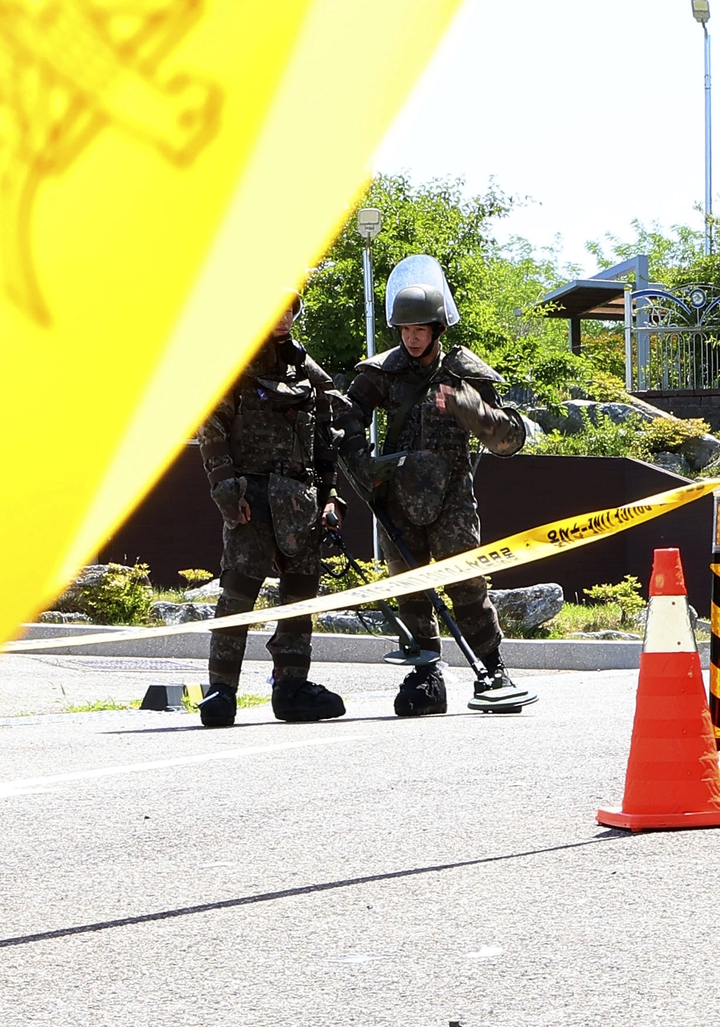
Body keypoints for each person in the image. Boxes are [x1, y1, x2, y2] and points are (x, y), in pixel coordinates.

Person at [341, 255, 534, 716]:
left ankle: (493, 669)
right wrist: (361, 465)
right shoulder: (382, 372)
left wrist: (468, 407)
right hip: (396, 498)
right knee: (410, 588)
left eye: (420, 329)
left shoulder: (464, 373)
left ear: (437, 328)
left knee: (466, 587)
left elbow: (510, 438)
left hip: (452, 500)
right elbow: (344, 417)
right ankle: (426, 675)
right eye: (405, 330)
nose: (411, 337)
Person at [194, 296, 350, 727]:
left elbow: (326, 440)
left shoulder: (306, 370)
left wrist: (332, 497)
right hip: (251, 498)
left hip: (300, 501)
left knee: (300, 597)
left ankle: (292, 689)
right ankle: (222, 692)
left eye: (290, 310)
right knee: (237, 596)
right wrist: (226, 487)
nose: (282, 318)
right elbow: (212, 427)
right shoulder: (234, 366)